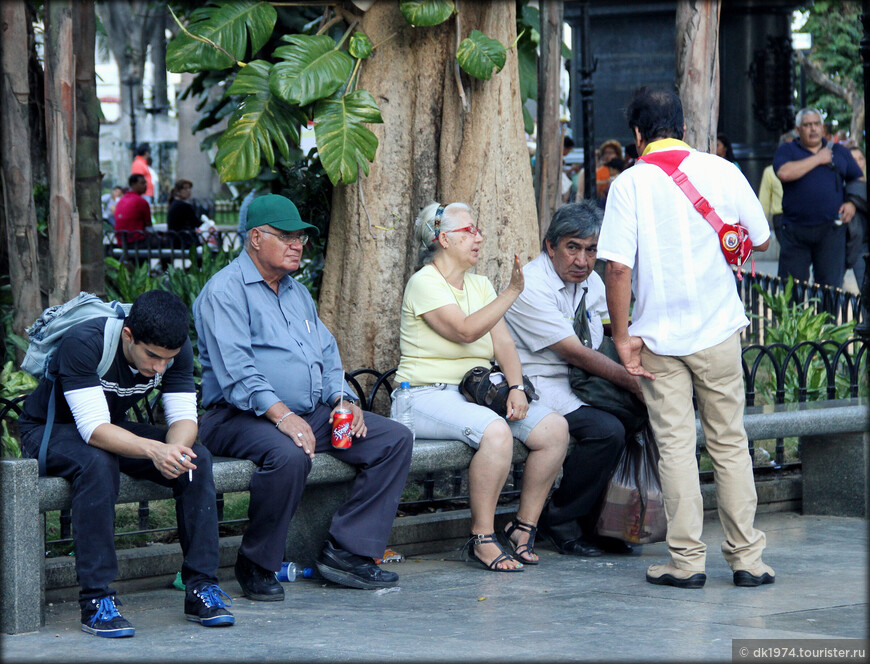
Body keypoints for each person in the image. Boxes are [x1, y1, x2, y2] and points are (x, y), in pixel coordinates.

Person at [193, 194, 413, 597]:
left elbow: (328, 355)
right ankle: (257, 562)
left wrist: (343, 400)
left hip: (308, 412)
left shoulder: (296, 292)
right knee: (288, 455)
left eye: (301, 238)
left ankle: (347, 553)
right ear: (256, 238)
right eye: (286, 236)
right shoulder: (225, 291)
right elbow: (238, 371)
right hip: (237, 417)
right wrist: (281, 416)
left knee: (393, 440)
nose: (297, 244)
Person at [599, 87, 774, 589]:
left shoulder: (629, 184)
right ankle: (748, 560)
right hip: (719, 330)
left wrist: (624, 337)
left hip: (658, 339)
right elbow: (760, 238)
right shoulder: (722, 170)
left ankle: (686, 562)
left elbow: (616, 269)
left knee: (675, 447)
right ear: (682, 125)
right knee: (730, 444)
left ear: (637, 134)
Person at [17, 290, 234, 637]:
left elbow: (184, 419)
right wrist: (154, 451)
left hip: (106, 428)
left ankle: (200, 588)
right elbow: (93, 431)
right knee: (98, 463)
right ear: (129, 335)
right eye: (152, 357)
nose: (159, 367)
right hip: (49, 429)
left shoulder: (174, 349)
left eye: (169, 359)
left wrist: (174, 454)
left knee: (196, 459)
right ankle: (96, 600)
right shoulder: (86, 341)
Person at [394, 202, 569, 571]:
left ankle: (523, 528)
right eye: (470, 230)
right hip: (423, 395)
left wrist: (518, 387)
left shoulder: (479, 284)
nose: (479, 237)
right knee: (496, 433)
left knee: (554, 430)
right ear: (443, 238)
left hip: (472, 393)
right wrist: (512, 292)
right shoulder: (424, 282)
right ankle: (483, 538)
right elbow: (465, 330)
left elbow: (503, 344)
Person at [504, 200, 641, 557]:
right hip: (541, 385)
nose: (582, 261)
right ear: (550, 247)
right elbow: (575, 353)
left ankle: (605, 521)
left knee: (639, 418)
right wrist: (632, 383)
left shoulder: (592, 282)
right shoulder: (531, 286)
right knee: (606, 431)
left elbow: (616, 328)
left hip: (584, 382)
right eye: (572, 248)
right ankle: (561, 519)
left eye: (591, 250)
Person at [773, 108, 864, 288]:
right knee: (791, 289)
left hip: (831, 231)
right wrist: (818, 158)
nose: (813, 129)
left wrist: (852, 203)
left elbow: (858, 178)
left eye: (816, 124)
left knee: (830, 289)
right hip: (795, 231)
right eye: (807, 125)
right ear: (798, 130)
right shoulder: (787, 150)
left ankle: (827, 318)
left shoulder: (839, 151)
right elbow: (784, 172)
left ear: (822, 128)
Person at [758, 131, 797, 260]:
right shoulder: (770, 171)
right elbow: (763, 201)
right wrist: (761, 224)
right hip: (781, 218)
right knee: (790, 253)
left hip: (802, 215)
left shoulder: (807, 168)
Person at [113, 173, 157, 248]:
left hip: (121, 242)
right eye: (142, 183)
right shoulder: (141, 201)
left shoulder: (122, 200)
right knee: (167, 242)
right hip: (136, 241)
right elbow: (149, 225)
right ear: (133, 184)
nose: (145, 185)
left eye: (145, 183)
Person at [167, 179, 199, 249]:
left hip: (174, 240)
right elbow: (195, 223)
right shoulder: (184, 206)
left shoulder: (174, 203)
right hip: (183, 241)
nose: (188, 191)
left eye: (189, 188)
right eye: (185, 188)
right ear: (178, 191)